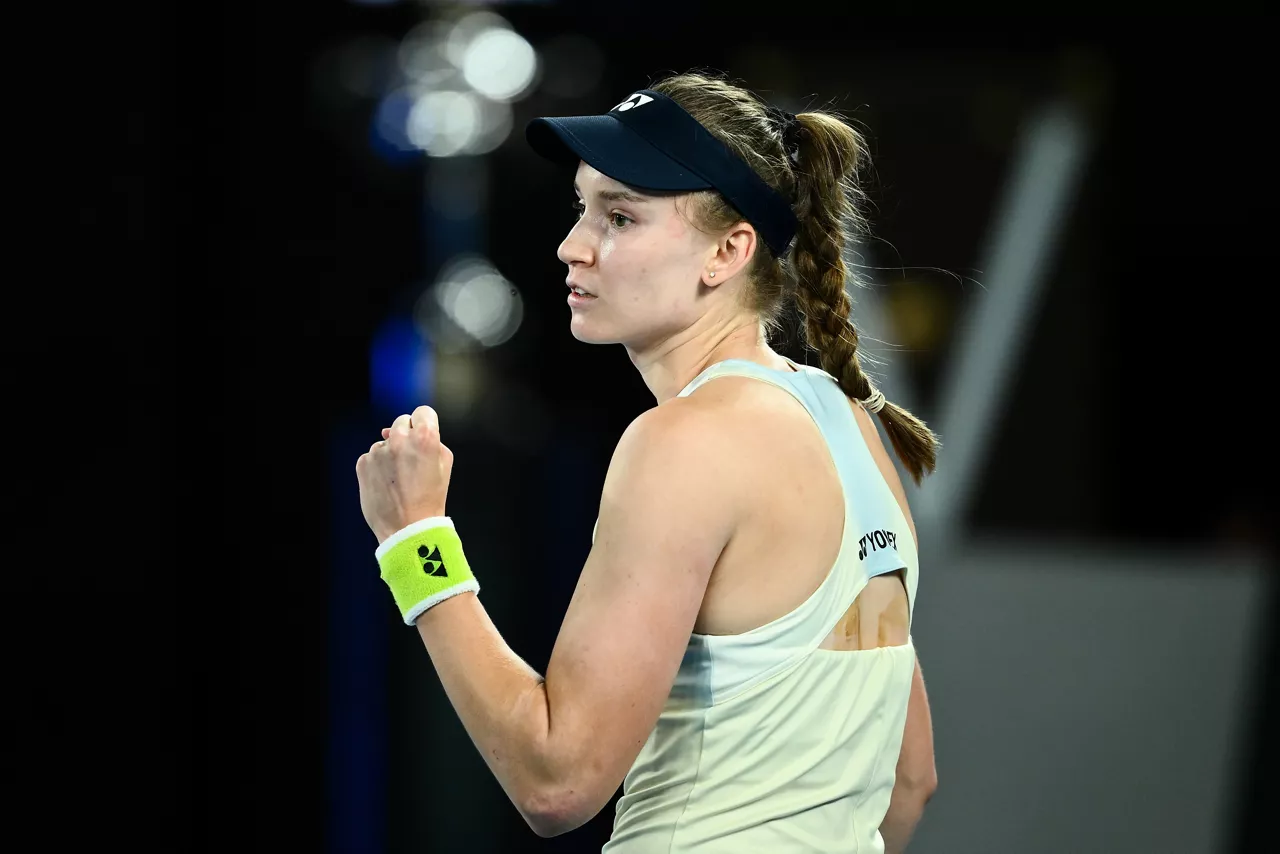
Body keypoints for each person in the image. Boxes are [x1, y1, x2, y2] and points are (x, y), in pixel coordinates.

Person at [356, 71, 940, 853]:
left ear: (728, 252)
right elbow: (908, 781)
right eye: (582, 208)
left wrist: (415, 542)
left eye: (621, 217)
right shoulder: (847, 424)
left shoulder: (684, 443)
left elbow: (556, 781)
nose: (573, 245)